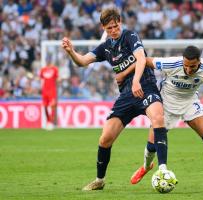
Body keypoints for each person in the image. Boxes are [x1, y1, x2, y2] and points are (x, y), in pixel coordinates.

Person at [61, 8, 170, 191]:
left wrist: (136, 81)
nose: (113, 29)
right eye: (109, 27)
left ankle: (163, 170)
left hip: (146, 86)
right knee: (105, 139)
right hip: (126, 95)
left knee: (158, 119)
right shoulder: (105, 48)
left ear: (120, 22)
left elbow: (142, 59)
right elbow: (82, 62)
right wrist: (71, 51)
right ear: (103, 27)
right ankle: (99, 180)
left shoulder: (130, 35)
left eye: (116, 25)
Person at [116, 46, 203, 192]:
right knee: (152, 145)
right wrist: (125, 74)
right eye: (186, 65)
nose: (188, 70)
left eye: (193, 66)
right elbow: (143, 60)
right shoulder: (172, 63)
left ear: (199, 62)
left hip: (190, 102)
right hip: (166, 104)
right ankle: (146, 167)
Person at [39, 57, 59, 130]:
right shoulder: (43, 70)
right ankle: (48, 121)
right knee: (45, 106)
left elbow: (57, 79)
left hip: (52, 90)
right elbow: (41, 79)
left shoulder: (55, 69)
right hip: (44, 91)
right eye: (47, 60)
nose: (48, 61)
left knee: (52, 106)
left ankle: (50, 122)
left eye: (49, 60)